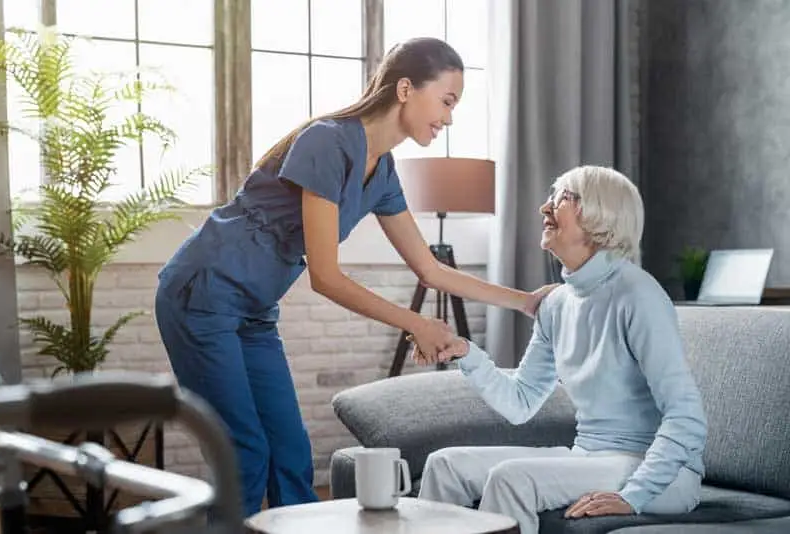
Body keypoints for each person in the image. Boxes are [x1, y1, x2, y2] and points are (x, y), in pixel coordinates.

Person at [153, 37, 555, 518]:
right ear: (405, 88)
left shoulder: (382, 171)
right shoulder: (327, 141)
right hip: (202, 295)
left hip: (253, 313)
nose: (449, 117)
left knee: (291, 453)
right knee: (246, 454)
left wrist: (527, 301)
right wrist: (416, 323)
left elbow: (430, 268)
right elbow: (325, 276)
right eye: (446, 101)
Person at [412, 165, 707, 532]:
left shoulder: (638, 295)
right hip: (589, 457)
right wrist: (466, 354)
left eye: (563, 198)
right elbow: (521, 402)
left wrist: (635, 494)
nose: (544, 208)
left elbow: (687, 416)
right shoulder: (556, 304)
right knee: (445, 465)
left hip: (661, 470)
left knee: (512, 478)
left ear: (602, 215)